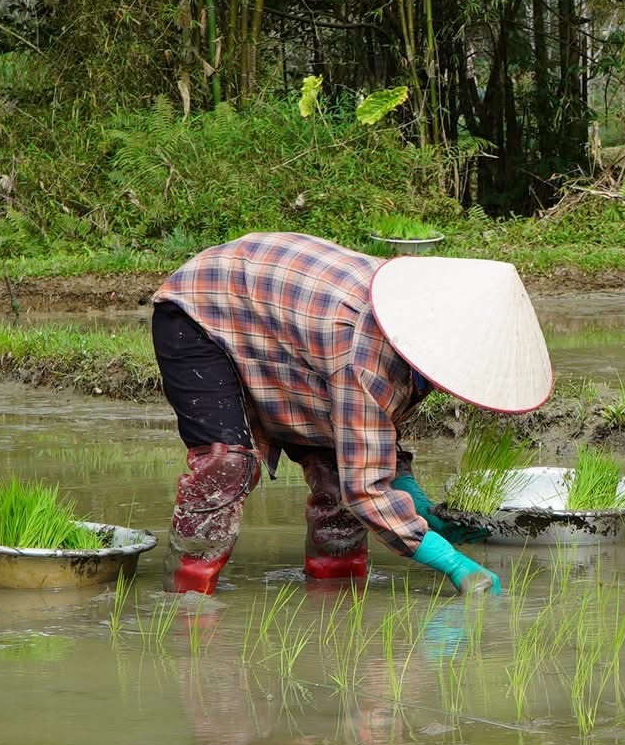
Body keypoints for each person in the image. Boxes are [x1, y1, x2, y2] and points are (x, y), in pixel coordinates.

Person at [151, 232, 553, 595]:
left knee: (336, 467)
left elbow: (372, 438)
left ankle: (336, 588)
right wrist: (451, 562)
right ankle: (188, 592)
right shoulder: (368, 356)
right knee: (227, 464)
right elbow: (367, 488)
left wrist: (420, 509)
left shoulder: (417, 340)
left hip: (284, 323)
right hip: (203, 309)